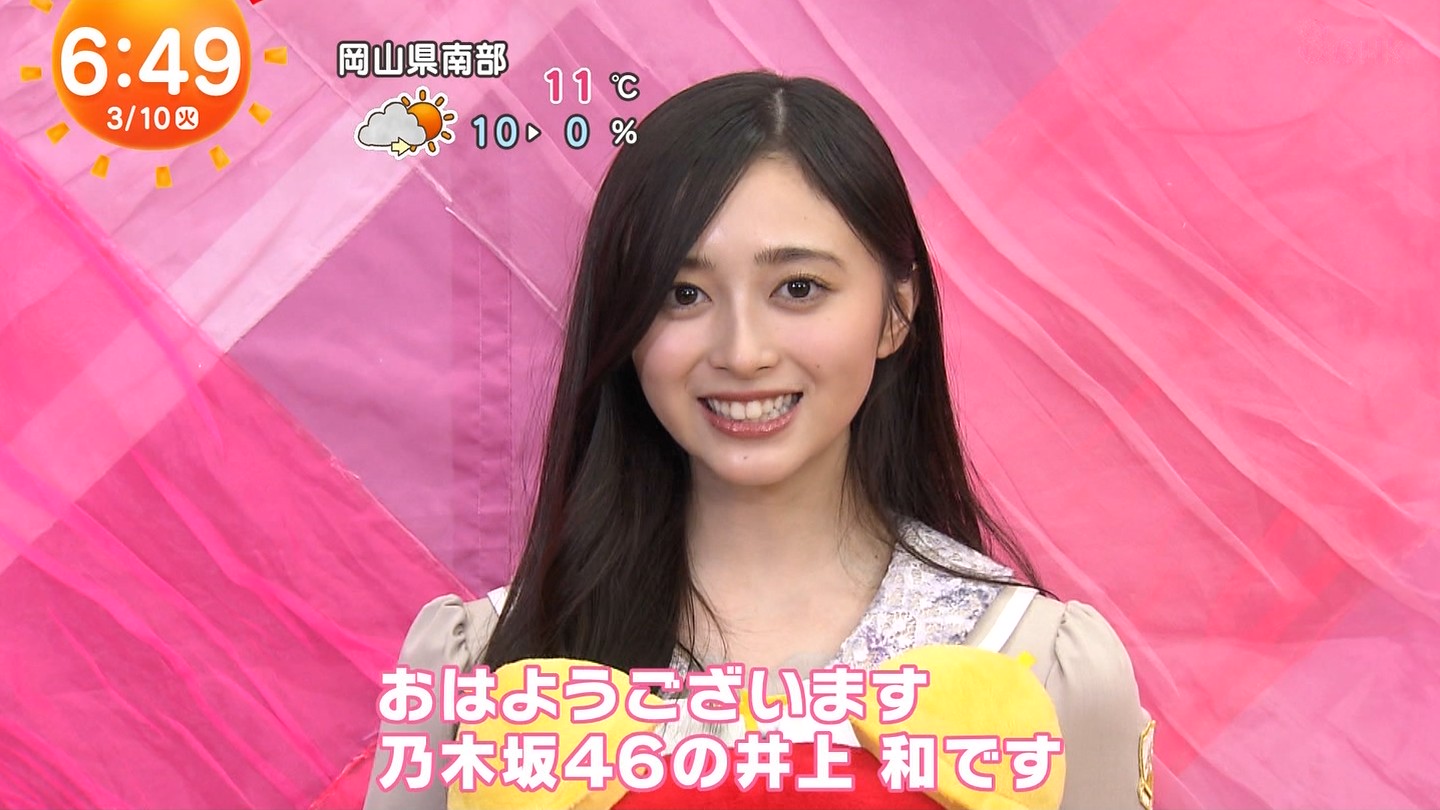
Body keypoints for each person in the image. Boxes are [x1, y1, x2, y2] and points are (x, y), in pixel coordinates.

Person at [364, 70, 1154, 810]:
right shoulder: (483, 667)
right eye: (683, 294)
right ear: (626, 323)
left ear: (895, 312)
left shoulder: (1035, 665)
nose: (742, 352)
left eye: (798, 288)